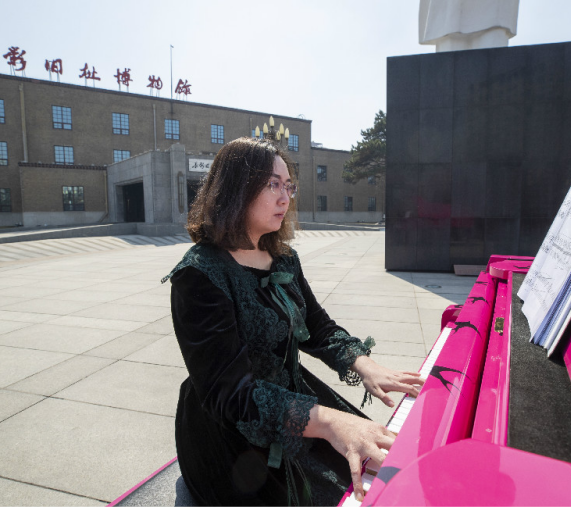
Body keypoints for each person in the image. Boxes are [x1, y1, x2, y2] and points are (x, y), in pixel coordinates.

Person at [164, 137, 424, 505]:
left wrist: (363, 364)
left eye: (289, 186)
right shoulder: (199, 274)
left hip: (292, 399)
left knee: (383, 465)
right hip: (228, 430)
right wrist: (330, 422)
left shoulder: (283, 257)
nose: (285, 198)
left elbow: (316, 327)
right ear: (236, 188)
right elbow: (232, 396)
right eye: (273, 184)